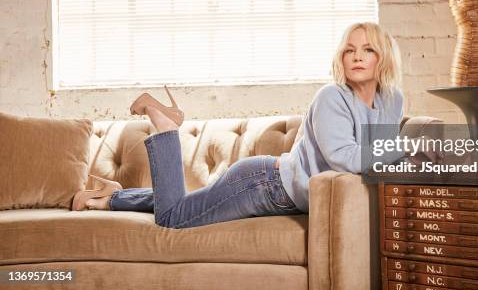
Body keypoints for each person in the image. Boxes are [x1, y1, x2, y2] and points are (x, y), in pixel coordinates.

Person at [71, 22, 404, 229]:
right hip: (264, 185)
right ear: (341, 59)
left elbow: (375, 159)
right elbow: (346, 157)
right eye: (349, 50)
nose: (357, 57)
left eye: (368, 49)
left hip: (272, 185)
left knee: (193, 200)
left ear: (383, 58)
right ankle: (165, 128)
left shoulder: (392, 100)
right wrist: (406, 149)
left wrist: (398, 153)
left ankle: (114, 197)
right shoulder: (332, 96)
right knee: (174, 216)